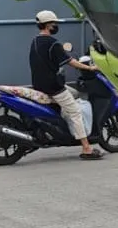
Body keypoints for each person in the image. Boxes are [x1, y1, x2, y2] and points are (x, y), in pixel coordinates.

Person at [29, 10, 102, 159]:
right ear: (48, 25)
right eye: (54, 24)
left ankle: (65, 124)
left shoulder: (35, 41)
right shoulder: (53, 43)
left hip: (39, 84)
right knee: (75, 112)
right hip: (53, 87)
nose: (56, 26)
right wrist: (90, 68)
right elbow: (71, 62)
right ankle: (86, 148)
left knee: (74, 94)